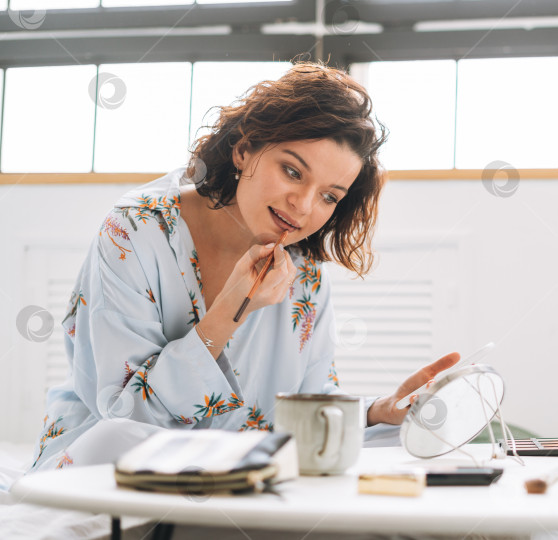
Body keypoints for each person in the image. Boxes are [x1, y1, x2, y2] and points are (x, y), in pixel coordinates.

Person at [29, 61, 460, 472]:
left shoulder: (303, 272)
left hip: (238, 469)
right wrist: (227, 315)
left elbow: (307, 405)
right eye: (292, 171)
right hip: (125, 456)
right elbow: (127, 414)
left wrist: (374, 411)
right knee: (115, 440)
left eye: (330, 196)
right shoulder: (137, 230)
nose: (305, 206)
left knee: (394, 440)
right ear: (244, 149)